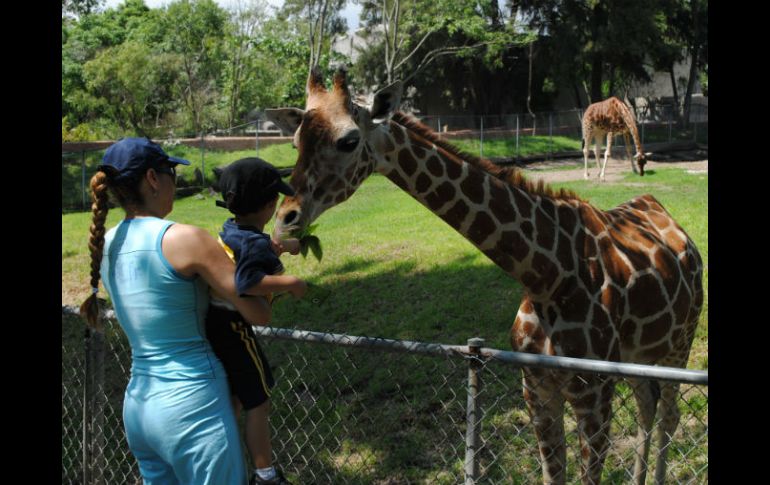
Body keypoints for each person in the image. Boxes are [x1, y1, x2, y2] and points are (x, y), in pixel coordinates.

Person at [80, 138, 272, 485]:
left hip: (140, 407)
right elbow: (258, 313)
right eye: (171, 172)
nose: (174, 181)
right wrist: (278, 276)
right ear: (152, 178)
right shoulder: (187, 239)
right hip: (194, 406)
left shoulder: (107, 243)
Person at [207, 157, 307, 485]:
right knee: (259, 400)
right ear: (269, 205)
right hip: (235, 328)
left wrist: (280, 249)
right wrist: (290, 284)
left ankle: (227, 455)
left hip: (216, 325)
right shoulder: (254, 242)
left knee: (238, 396)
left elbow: (249, 257)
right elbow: (247, 282)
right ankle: (265, 474)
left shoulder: (234, 230)